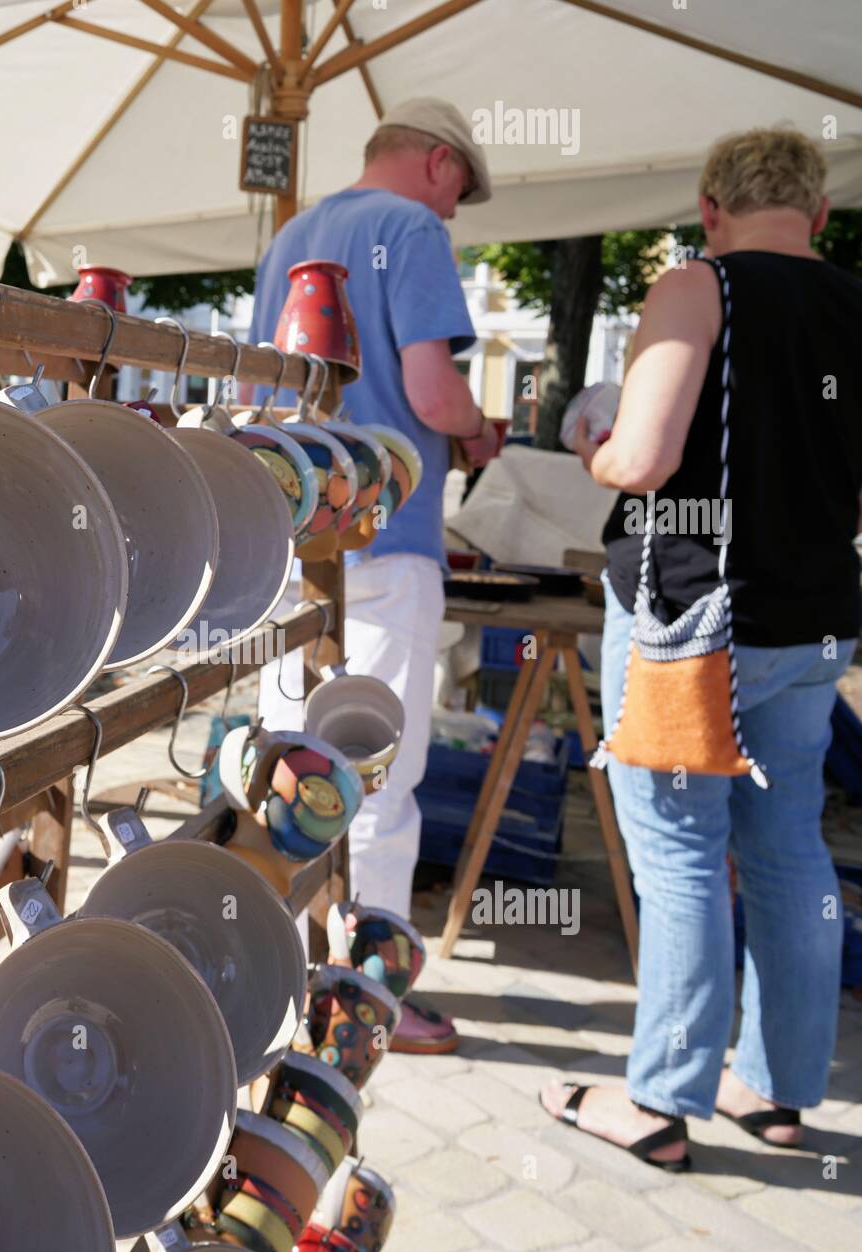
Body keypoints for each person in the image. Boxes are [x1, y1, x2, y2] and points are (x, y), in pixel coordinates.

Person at [542, 126, 862, 1167]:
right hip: (813, 620)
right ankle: (774, 1092)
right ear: (818, 214)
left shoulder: (697, 286)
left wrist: (592, 445)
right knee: (786, 849)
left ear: (709, 206)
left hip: (692, 614)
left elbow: (644, 458)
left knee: (681, 853)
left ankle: (658, 1101)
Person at [250, 98, 503, 1053]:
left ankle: (276, 974)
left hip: (294, 537)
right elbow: (435, 394)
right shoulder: (412, 228)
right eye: (461, 193)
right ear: (439, 162)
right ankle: (367, 1004)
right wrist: (479, 433)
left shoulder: (294, 234)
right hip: (387, 535)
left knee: (287, 766)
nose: (455, 213)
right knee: (379, 777)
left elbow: (251, 393)